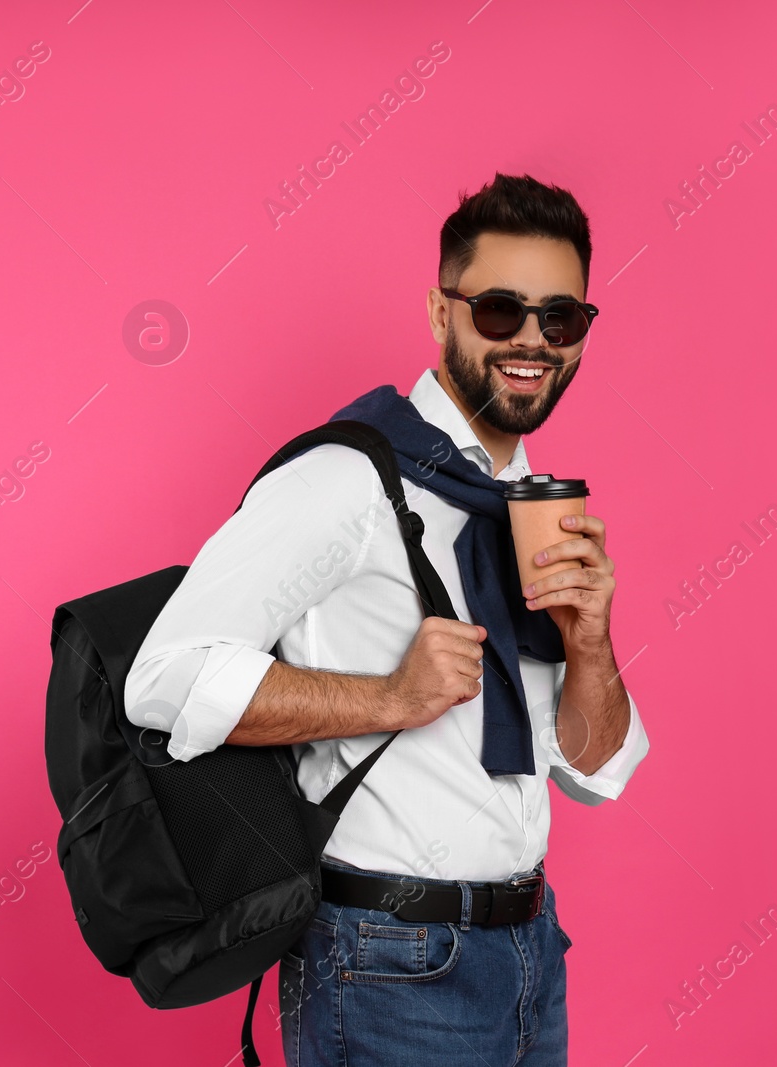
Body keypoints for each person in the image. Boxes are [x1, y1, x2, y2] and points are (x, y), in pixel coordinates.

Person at [123, 173, 648, 1066]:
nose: (531, 340)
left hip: (529, 954)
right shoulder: (346, 479)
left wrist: (589, 642)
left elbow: (593, 772)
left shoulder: (531, 508)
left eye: (559, 318)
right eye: (498, 310)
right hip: (385, 960)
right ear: (441, 313)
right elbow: (163, 677)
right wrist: (389, 696)